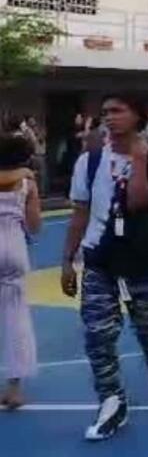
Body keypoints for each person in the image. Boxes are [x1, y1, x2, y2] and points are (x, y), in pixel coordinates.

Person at [62, 94, 148, 441]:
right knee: (98, 333)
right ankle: (112, 401)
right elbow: (80, 211)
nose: (109, 118)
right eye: (105, 112)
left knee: (147, 321)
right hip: (99, 256)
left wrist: (138, 160)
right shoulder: (90, 160)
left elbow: (140, 202)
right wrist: (68, 259)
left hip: (139, 257)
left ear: (138, 116)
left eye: (118, 111)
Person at [0, 134, 40, 410]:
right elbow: (35, 225)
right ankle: (14, 388)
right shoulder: (27, 181)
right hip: (13, 246)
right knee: (16, 318)